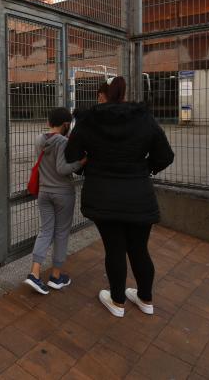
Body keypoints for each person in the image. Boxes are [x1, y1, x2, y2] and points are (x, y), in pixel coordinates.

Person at [65, 76, 174, 317]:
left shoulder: (89, 119)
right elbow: (165, 155)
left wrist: (89, 167)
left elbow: (71, 153)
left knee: (114, 249)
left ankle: (117, 302)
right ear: (123, 95)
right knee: (139, 249)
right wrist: (144, 168)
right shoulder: (143, 117)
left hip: (103, 196)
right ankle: (145, 299)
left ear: (104, 95)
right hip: (139, 195)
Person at [24, 107, 87, 295]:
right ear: (66, 124)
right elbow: (62, 168)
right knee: (61, 233)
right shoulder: (62, 141)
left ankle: (34, 273)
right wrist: (81, 163)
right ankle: (56, 277)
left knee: (45, 231)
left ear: (48, 122)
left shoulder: (39, 139)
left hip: (44, 192)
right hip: (62, 194)